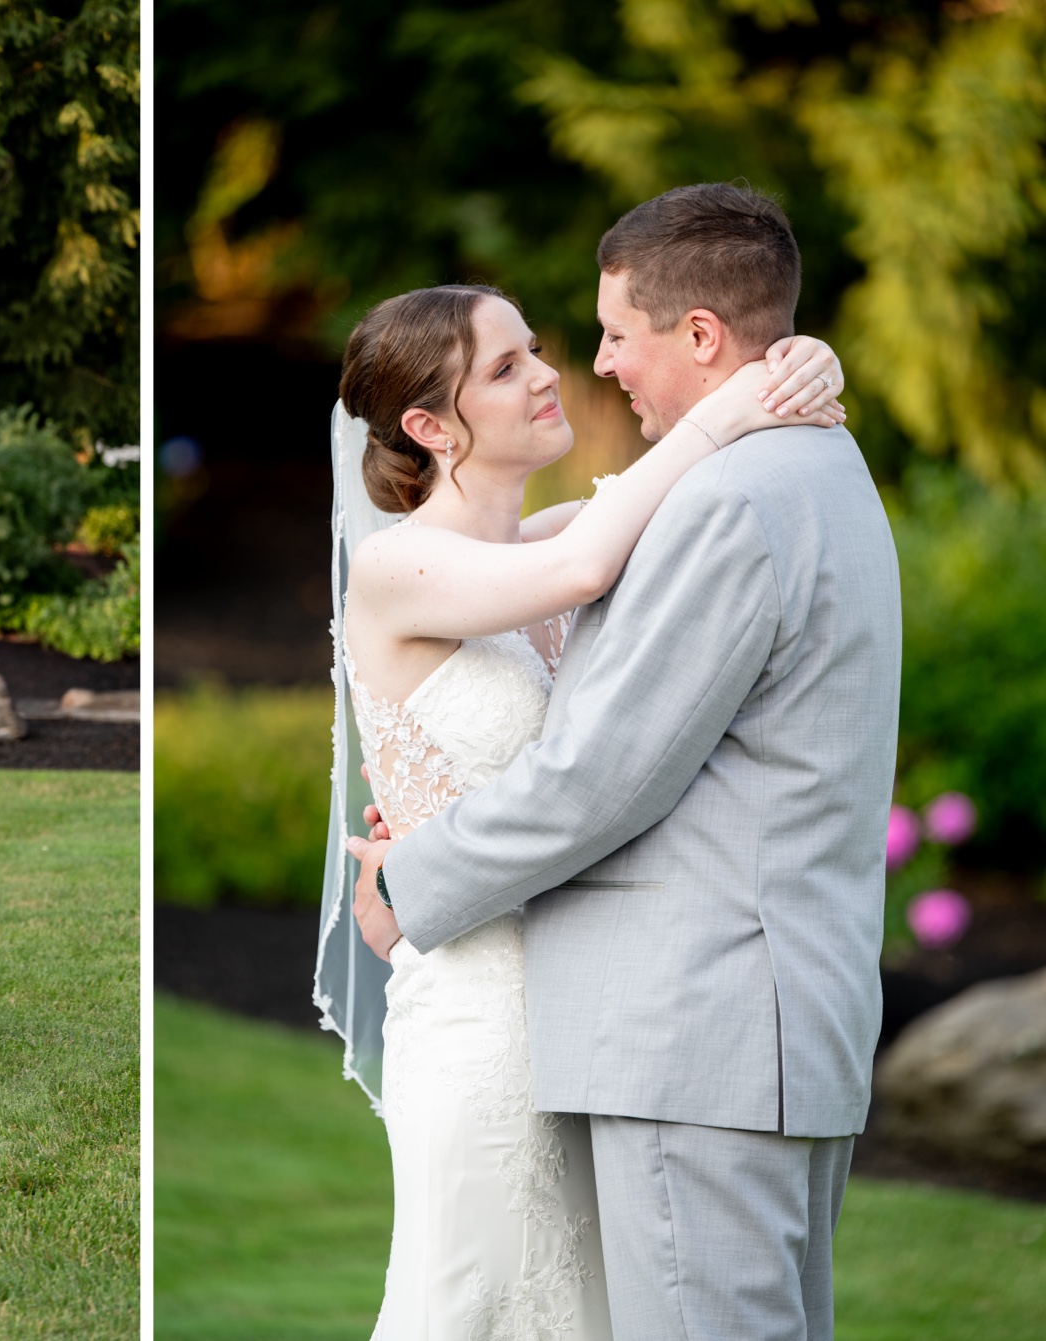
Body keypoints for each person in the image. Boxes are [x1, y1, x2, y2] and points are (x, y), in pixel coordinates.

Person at [338, 184, 899, 1340]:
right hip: (532, 1022)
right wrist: (754, 388)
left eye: (592, 341)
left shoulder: (712, 502)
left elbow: (599, 766)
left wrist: (414, 877)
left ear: (697, 336)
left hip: (682, 1031)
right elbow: (593, 555)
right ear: (432, 428)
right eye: (512, 366)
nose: (578, 370)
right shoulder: (417, 567)